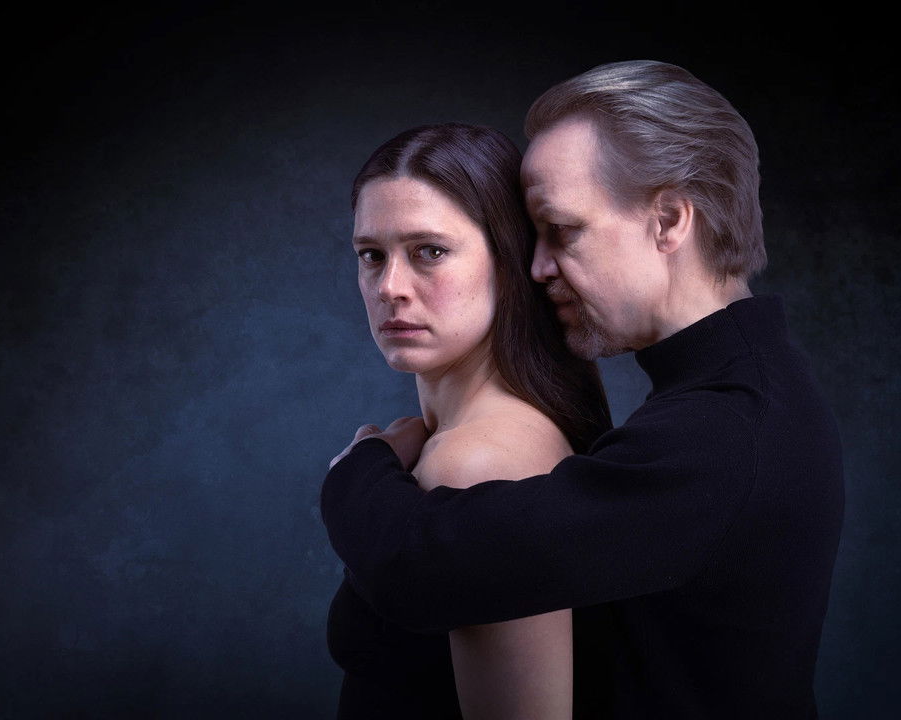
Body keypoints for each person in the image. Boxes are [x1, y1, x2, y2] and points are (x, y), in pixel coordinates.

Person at [322, 60, 844, 719]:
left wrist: (357, 469)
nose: (538, 267)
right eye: (370, 254)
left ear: (668, 221)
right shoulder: (740, 397)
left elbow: (426, 570)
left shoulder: (725, 433)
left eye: (563, 231)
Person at [326, 123, 611, 718]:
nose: (390, 287)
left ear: (509, 261)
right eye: (371, 255)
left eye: (429, 251)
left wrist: (357, 472)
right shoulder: (453, 442)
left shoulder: (480, 461)